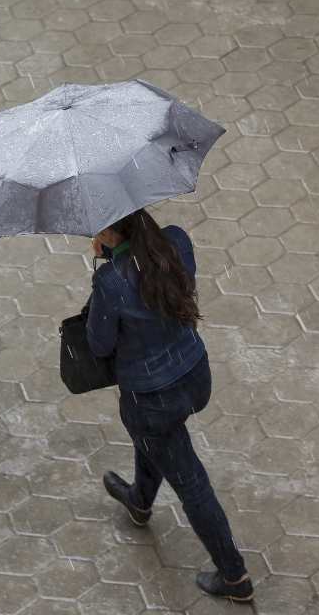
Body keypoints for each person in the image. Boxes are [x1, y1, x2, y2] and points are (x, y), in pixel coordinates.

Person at [87, 209, 253, 603]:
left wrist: (106, 266)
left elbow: (99, 344)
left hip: (151, 397)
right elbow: (156, 289)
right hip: (195, 376)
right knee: (157, 441)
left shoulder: (110, 282)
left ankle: (235, 577)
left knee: (192, 484)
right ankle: (140, 502)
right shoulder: (176, 241)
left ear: (110, 231)